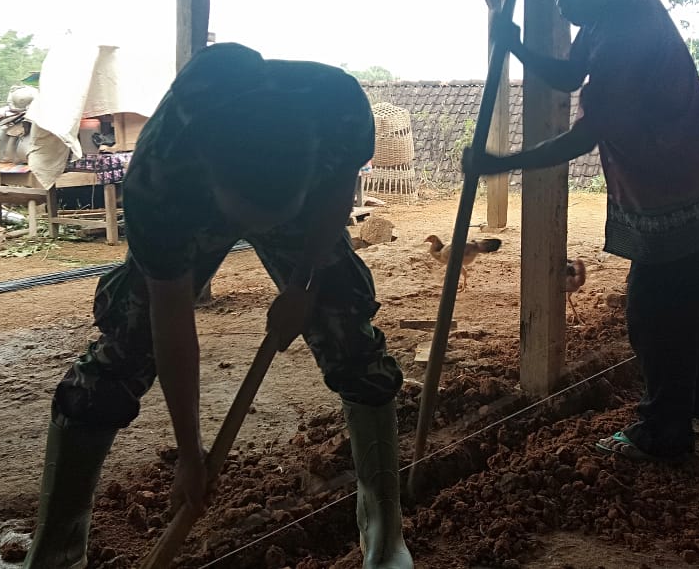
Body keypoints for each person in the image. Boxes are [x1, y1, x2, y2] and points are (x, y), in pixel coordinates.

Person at [23, 43, 412, 569]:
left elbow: (335, 196)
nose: (254, 238)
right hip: (193, 200)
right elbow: (172, 319)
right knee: (127, 348)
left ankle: (384, 538)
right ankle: (56, 555)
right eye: (246, 221)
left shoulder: (337, 108)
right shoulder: (161, 178)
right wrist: (190, 453)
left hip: (304, 205)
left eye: (268, 223)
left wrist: (305, 284)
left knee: (347, 327)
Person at [464, 0, 699, 461]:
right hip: (697, 182)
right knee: (683, 303)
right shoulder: (621, 5)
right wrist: (515, 46)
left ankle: (665, 433)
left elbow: (582, 137)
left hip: (680, 195)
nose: (561, 0)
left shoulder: (623, 39)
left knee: (651, 313)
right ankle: (693, 406)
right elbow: (568, 76)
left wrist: (501, 161)